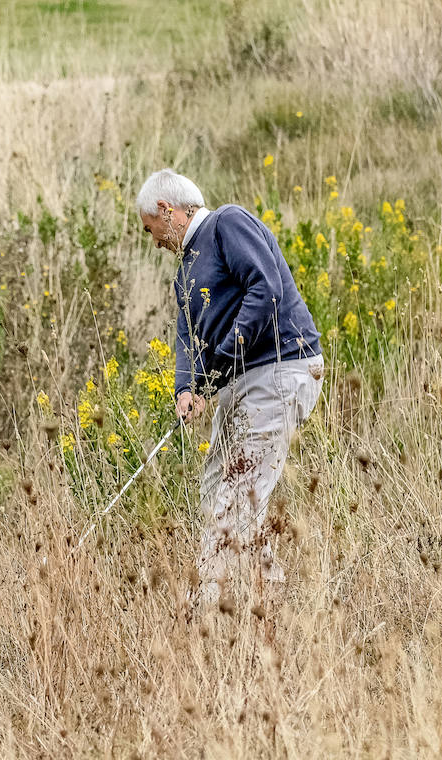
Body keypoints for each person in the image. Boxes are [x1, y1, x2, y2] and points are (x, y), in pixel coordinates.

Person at [135, 168, 324, 611]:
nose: (154, 240)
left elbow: (267, 289)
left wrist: (223, 353)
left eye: (152, 229)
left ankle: (201, 612)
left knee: (236, 497)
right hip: (239, 382)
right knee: (218, 488)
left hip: (278, 369)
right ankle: (269, 600)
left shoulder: (226, 224)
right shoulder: (184, 272)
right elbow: (187, 338)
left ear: (167, 210)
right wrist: (187, 387)